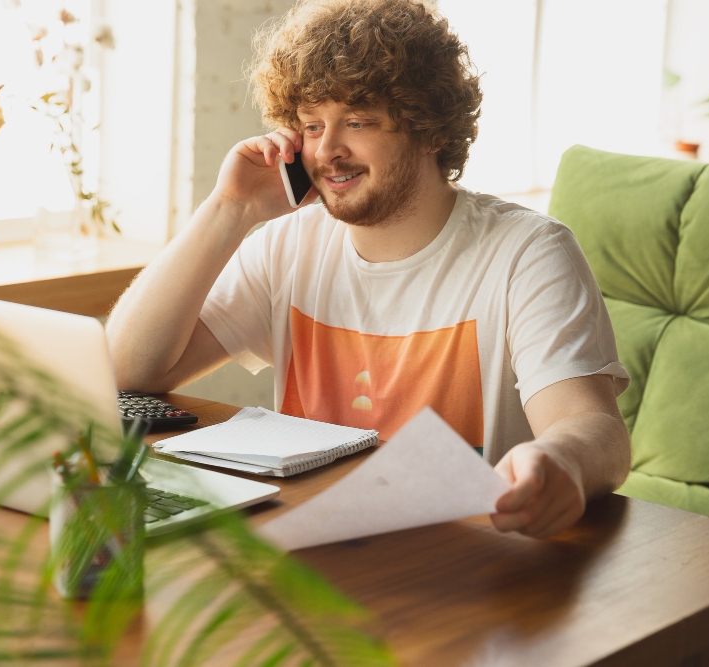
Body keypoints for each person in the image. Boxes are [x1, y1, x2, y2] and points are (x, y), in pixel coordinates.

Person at [106, 0, 632, 538]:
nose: (328, 150)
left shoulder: (527, 252)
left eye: (357, 121)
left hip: (464, 554)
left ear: (431, 129)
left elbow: (594, 430)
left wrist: (561, 460)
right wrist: (229, 209)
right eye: (311, 126)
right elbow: (130, 372)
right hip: (317, 549)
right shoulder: (288, 244)